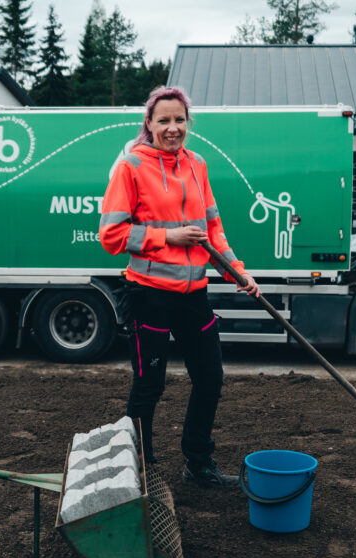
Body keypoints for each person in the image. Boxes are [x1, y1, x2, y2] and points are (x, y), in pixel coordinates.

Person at [99, 86, 259, 489]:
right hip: (149, 295)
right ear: (149, 124)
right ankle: (138, 471)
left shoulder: (197, 165)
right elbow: (111, 234)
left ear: (189, 123)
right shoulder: (131, 167)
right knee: (148, 387)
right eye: (164, 120)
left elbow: (212, 230)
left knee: (210, 379)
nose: (173, 128)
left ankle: (198, 463)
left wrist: (237, 272)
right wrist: (167, 239)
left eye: (179, 120)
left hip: (194, 296)